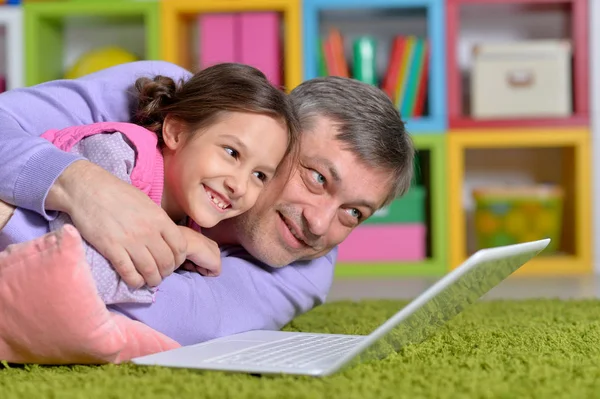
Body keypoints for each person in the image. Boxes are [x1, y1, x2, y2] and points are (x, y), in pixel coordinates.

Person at [0, 60, 414, 346]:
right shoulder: (167, 95)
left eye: (354, 212)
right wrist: (80, 183)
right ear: (279, 136)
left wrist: (8, 216)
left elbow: (161, 317)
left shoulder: (304, 270)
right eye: (318, 178)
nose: (320, 225)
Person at [0, 62, 299, 305]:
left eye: (260, 175)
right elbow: (77, 279)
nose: (240, 186)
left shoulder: (188, 212)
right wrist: (178, 244)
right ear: (177, 132)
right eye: (232, 153)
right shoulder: (120, 154)